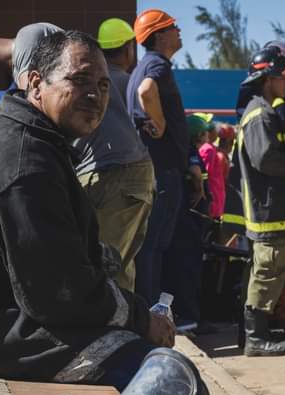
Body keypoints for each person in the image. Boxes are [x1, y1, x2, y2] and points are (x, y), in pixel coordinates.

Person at [0, 31, 176, 390]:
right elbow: (60, 295)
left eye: (104, 85)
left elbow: (63, 263)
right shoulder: (26, 165)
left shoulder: (34, 141)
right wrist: (141, 320)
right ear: (37, 84)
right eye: (79, 80)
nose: (95, 95)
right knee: (161, 376)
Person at [73, 18, 154, 292]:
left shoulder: (89, 81)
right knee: (116, 264)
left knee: (107, 262)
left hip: (102, 173)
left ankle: (116, 329)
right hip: (127, 173)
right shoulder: (125, 81)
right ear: (130, 47)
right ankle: (119, 328)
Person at [237, 45, 285, 357]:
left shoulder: (259, 110)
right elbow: (265, 159)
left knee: (268, 269)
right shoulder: (261, 114)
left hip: (269, 208)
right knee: (267, 270)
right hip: (268, 209)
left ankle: (258, 330)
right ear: (270, 78)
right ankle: (255, 338)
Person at [127, 9, 191, 306]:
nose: (178, 31)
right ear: (160, 35)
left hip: (153, 168)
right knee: (154, 246)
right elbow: (146, 91)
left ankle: (146, 311)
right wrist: (161, 123)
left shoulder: (141, 66)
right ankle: (150, 314)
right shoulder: (157, 67)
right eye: (173, 27)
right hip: (163, 171)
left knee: (148, 246)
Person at [161, 114, 211, 331]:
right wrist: (200, 188)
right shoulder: (190, 153)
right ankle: (189, 318)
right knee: (187, 270)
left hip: (185, 220)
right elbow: (195, 172)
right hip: (189, 222)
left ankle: (192, 317)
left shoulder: (178, 151)